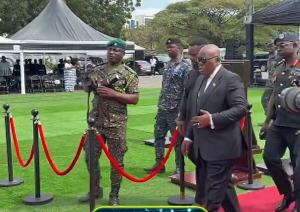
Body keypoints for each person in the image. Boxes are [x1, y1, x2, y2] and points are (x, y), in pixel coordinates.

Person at [182, 44, 247, 212]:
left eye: (203, 61)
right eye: (197, 61)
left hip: (222, 147)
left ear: (217, 59)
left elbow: (241, 108)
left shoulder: (231, 79)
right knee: (223, 186)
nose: (199, 64)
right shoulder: (200, 79)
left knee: (212, 196)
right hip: (202, 148)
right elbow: (194, 112)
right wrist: (189, 137)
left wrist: (212, 119)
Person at [78, 38, 139, 206]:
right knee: (90, 157)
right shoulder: (97, 70)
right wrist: (88, 84)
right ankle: (95, 190)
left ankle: (114, 196)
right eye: (110, 49)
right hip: (96, 121)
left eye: (116, 50)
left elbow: (134, 98)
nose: (112, 52)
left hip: (116, 123)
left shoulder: (129, 74)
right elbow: (85, 88)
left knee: (116, 161)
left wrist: (114, 94)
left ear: (123, 53)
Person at [261, 32, 300, 212]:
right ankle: (287, 193)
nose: (279, 48)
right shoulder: (277, 67)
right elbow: (274, 97)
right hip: (278, 123)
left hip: (297, 126)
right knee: (270, 158)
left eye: (283, 45)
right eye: (278, 46)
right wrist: (267, 121)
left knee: (297, 166)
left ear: (295, 45)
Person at [143, 38, 191, 175]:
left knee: (177, 139)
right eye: (168, 47)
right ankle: (159, 163)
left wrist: (182, 112)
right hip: (163, 107)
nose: (169, 49)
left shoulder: (185, 67)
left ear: (180, 48)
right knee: (158, 135)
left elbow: (186, 91)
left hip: (176, 109)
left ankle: (179, 167)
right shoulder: (167, 65)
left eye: (172, 47)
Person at [177, 37, 208, 206]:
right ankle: (204, 195)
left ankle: (202, 198)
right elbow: (186, 96)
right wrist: (181, 119)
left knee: (204, 163)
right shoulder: (193, 72)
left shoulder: (214, 73)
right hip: (190, 126)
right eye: (191, 56)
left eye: (196, 55)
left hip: (206, 126)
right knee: (196, 159)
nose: (193, 59)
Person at [260, 43, 280, 121]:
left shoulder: (279, 57)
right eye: (268, 48)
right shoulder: (270, 57)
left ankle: (273, 119)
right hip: (270, 83)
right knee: (265, 100)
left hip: (276, 83)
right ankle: (269, 119)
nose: (269, 49)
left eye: (270, 48)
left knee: (277, 101)